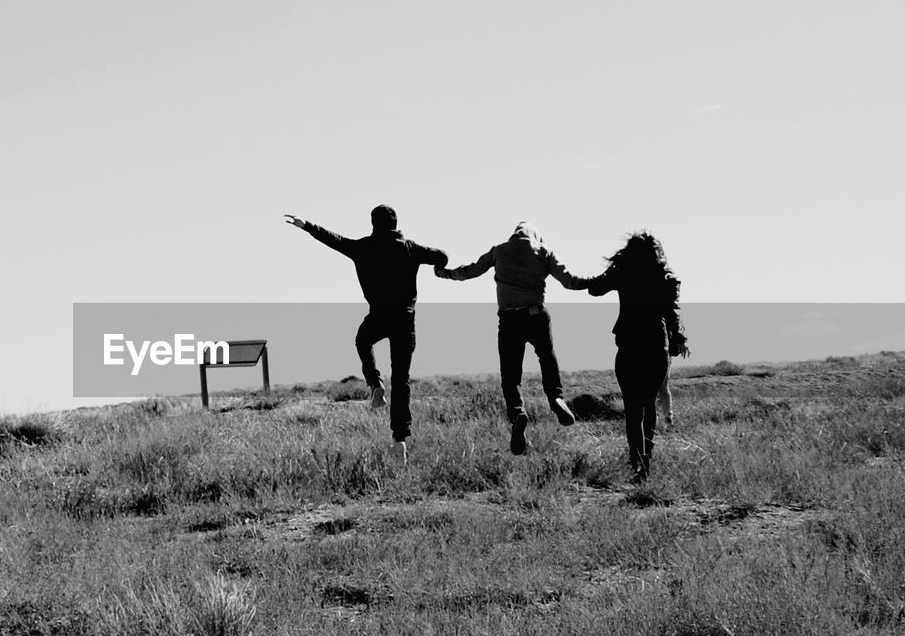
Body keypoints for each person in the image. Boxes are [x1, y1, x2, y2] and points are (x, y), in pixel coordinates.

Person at [285, 205, 447, 463]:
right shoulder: (410, 248)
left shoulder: (362, 248)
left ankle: (375, 383)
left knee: (362, 340)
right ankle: (399, 439)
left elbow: (332, 239)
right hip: (405, 319)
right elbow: (442, 255)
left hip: (379, 315)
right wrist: (439, 269)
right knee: (402, 379)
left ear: (373, 224)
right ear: (395, 223)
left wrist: (306, 225)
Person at [435, 222, 588, 455]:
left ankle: (517, 412)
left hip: (509, 320)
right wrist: (597, 282)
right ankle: (556, 398)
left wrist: (445, 273)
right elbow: (570, 281)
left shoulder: (499, 250)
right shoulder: (544, 251)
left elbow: (470, 271)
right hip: (536, 315)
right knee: (546, 356)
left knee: (510, 374)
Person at [585, 232, 689, 481]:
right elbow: (672, 313)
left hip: (629, 344)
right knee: (649, 404)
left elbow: (594, 290)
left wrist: (614, 269)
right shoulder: (666, 278)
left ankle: (635, 461)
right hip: (655, 345)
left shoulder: (623, 274)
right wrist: (678, 339)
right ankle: (646, 465)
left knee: (633, 409)